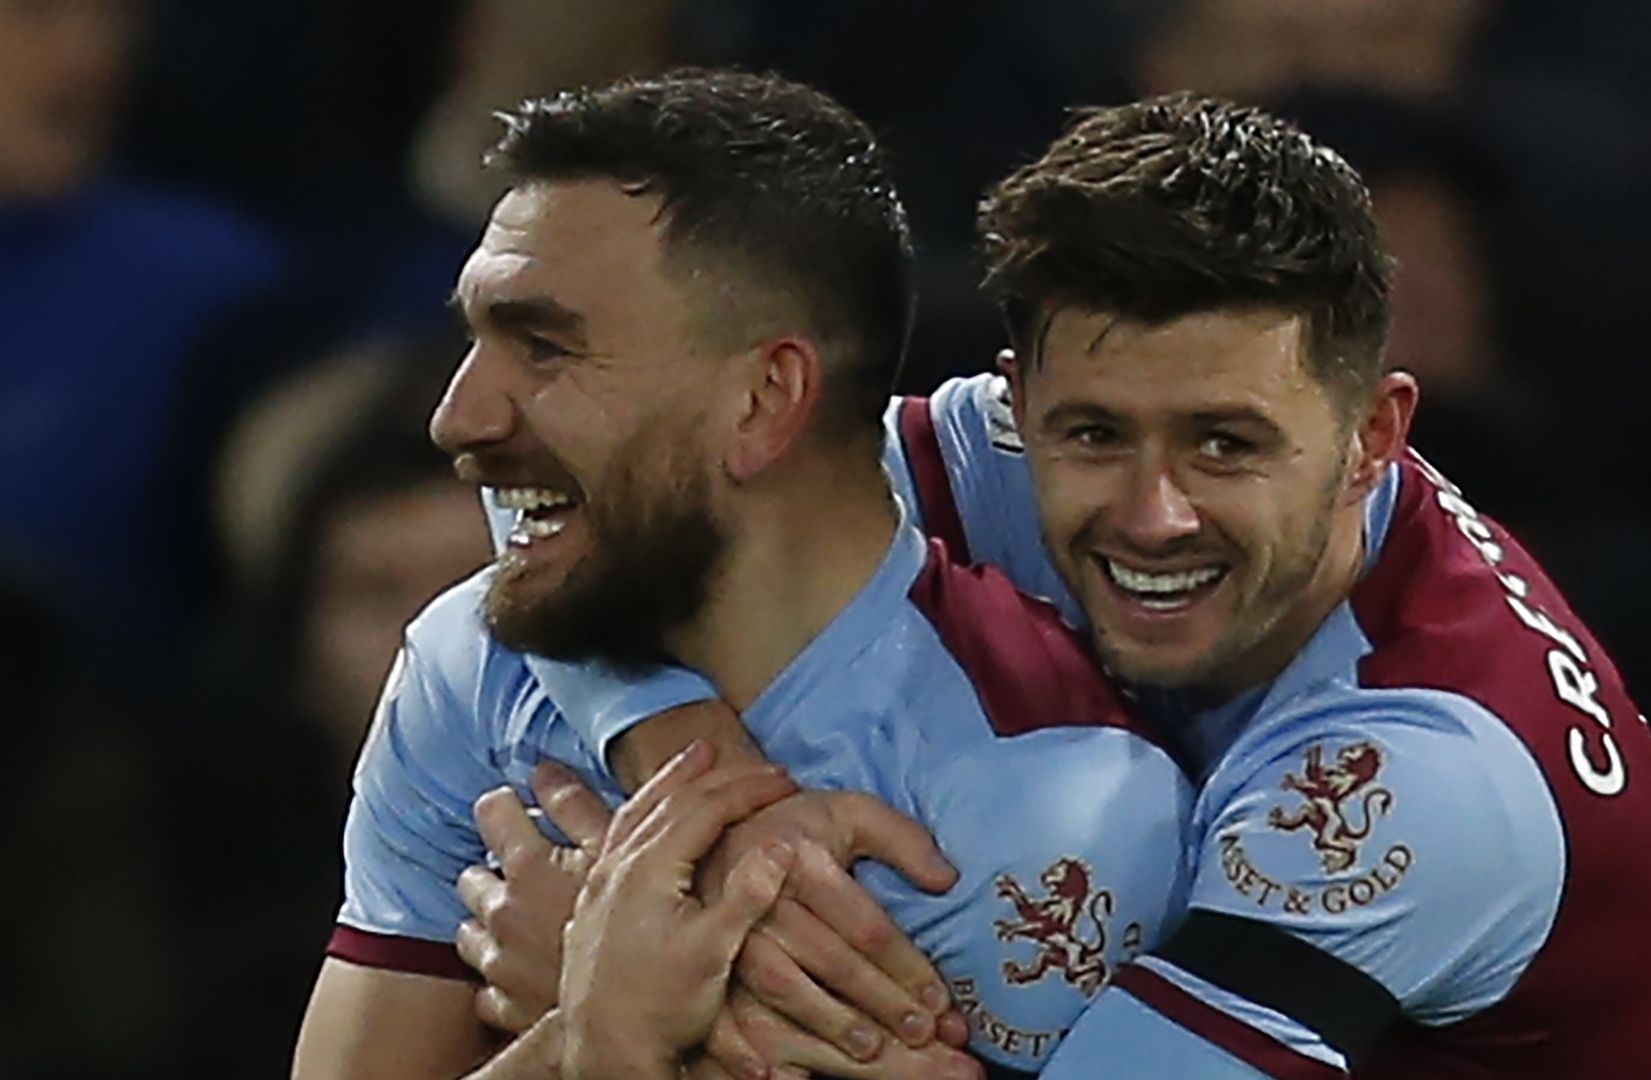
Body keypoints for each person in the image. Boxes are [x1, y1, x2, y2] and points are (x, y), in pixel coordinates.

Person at [503, 93, 1651, 1077]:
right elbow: (579, 497)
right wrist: (713, 797)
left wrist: (637, 1008)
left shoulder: (1416, 776)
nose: (1153, 515)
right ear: (1021, 402)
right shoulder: (1014, 449)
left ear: (1373, 437)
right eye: (1092, 436)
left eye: (1226, 445)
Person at [288, 69, 1192, 1080]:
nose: (458, 418)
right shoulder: (480, 660)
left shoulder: (1050, 800)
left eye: (544, 348)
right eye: (476, 338)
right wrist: (606, 1030)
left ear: (767, 398)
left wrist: (623, 1040)